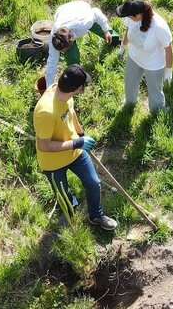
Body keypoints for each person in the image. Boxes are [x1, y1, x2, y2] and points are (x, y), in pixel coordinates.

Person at [33, 64, 117, 231]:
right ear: (78, 88)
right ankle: (70, 213)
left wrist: (80, 133)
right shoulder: (46, 112)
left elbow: (71, 112)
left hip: (75, 151)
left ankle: (96, 215)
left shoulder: (63, 92)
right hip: (53, 162)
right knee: (64, 196)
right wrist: (78, 143)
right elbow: (44, 145)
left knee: (94, 183)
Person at [44, 0, 120, 88]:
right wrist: (48, 87)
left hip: (81, 9)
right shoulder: (54, 35)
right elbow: (52, 61)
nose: (62, 52)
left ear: (71, 39)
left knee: (104, 31)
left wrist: (106, 30)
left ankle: (116, 41)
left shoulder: (85, 22)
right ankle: (77, 72)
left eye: (63, 50)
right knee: (71, 55)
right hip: (62, 12)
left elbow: (96, 12)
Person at [117, 0, 173, 112]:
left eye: (129, 16)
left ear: (137, 15)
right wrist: (123, 46)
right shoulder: (131, 19)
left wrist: (168, 70)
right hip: (134, 57)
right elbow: (128, 31)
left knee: (154, 90)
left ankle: (158, 110)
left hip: (154, 64)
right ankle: (130, 102)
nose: (127, 18)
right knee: (129, 82)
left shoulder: (159, 27)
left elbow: (168, 49)